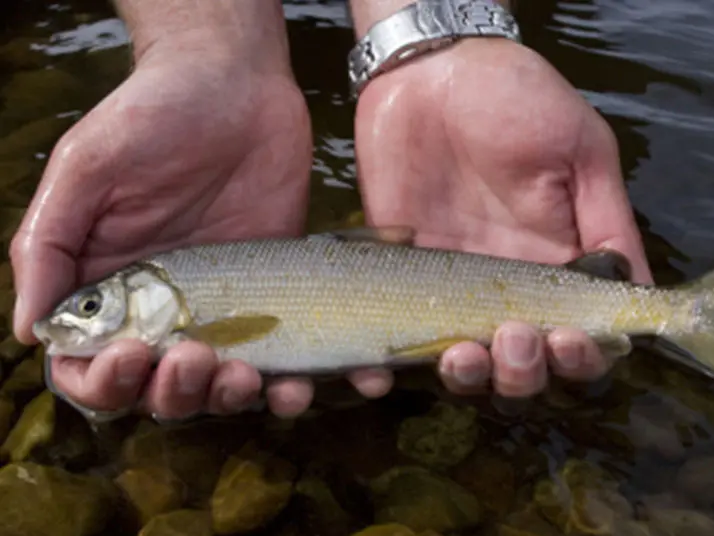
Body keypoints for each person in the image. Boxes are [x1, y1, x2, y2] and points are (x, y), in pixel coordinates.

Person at [9, 0, 652, 421]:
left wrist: (449, 40)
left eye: (91, 307)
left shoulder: (184, 296)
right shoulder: (181, 296)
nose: (74, 318)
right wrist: (209, 49)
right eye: (90, 308)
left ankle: (662, 315)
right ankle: (649, 313)